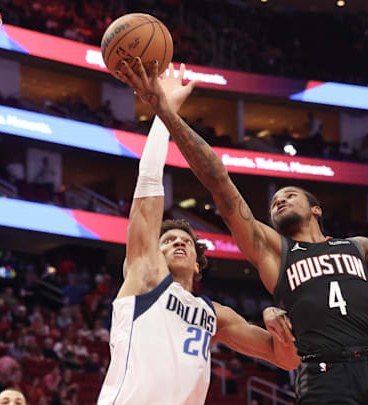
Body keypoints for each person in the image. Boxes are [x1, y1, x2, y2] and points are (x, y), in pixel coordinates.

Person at [119, 58, 368, 404]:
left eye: (289, 195)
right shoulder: (275, 250)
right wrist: (167, 114)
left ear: (316, 209)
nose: (279, 201)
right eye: (274, 202)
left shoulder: (359, 246)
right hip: (324, 374)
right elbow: (218, 181)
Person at [97, 63, 299, 405]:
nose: (178, 242)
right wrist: (165, 112)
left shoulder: (215, 316)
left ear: (197, 265)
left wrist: (281, 331)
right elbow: (147, 185)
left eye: (186, 242)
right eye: (168, 241)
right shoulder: (145, 276)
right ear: (153, 253)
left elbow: (287, 360)